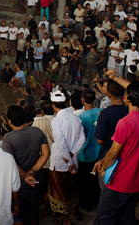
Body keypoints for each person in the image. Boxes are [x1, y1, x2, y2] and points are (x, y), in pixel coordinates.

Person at [93, 81, 139, 224]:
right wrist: (102, 161)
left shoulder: (126, 122)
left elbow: (113, 153)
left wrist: (103, 167)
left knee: (104, 218)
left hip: (120, 180)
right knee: (126, 217)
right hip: (135, 178)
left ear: (127, 97)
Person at [2, 106, 50, 225]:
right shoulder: (37, 131)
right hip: (35, 179)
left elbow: (10, 161)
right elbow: (46, 153)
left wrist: (24, 176)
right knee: (34, 212)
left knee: (18, 215)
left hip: (17, 183)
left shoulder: (8, 138)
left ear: (9, 121)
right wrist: (33, 170)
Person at [48, 91, 85, 225]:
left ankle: (66, 219)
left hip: (61, 162)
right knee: (72, 187)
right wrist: (73, 153)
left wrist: (68, 160)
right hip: (73, 159)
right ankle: (75, 212)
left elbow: (61, 143)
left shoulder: (57, 120)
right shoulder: (75, 118)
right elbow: (82, 138)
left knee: (61, 191)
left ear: (53, 105)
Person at [77, 89, 102, 211]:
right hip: (99, 153)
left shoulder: (81, 118)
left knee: (84, 181)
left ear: (83, 100)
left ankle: (86, 203)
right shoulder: (101, 112)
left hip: (84, 154)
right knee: (95, 179)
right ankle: (96, 199)